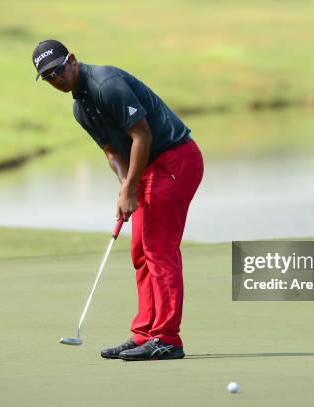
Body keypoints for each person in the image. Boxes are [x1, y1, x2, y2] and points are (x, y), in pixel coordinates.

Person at [32, 40, 203, 361]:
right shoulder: (79, 107)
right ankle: (145, 333)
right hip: (150, 168)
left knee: (158, 249)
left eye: (57, 70)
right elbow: (112, 152)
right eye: (48, 77)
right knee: (140, 250)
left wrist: (129, 190)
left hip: (175, 160)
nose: (56, 79)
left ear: (72, 59)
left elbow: (143, 136)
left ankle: (167, 338)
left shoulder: (106, 84)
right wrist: (127, 186)